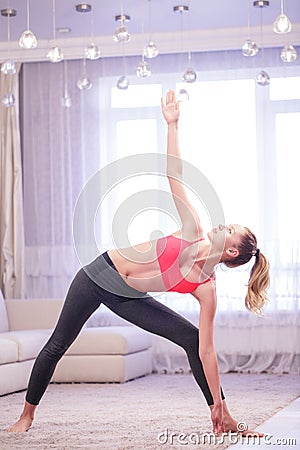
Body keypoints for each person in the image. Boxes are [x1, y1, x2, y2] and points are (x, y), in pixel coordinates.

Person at [8, 90, 270, 436]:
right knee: (59, 342)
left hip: (126, 296)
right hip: (100, 275)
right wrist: (172, 126)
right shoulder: (193, 229)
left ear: (232, 252)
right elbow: (173, 175)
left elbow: (207, 351)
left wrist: (221, 406)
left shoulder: (207, 289)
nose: (224, 225)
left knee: (191, 338)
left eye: (231, 230)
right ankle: (26, 416)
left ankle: (222, 416)